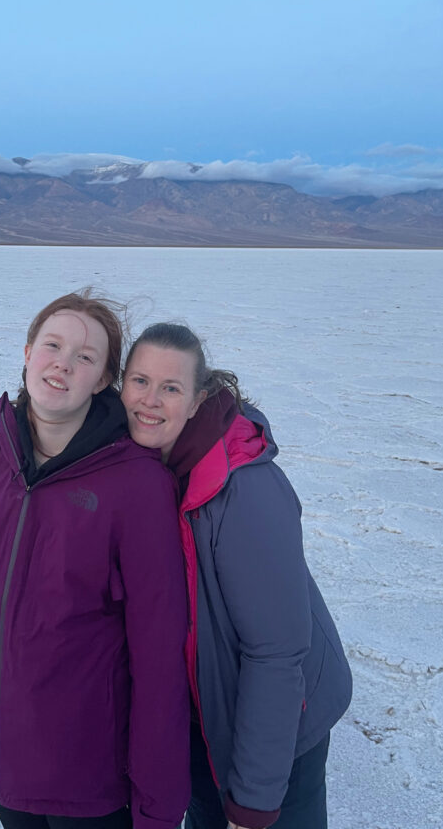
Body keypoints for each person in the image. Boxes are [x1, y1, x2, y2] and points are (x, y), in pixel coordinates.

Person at [0, 292, 191, 829]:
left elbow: (159, 656)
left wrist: (158, 802)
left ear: (103, 381)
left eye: (85, 356)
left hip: (89, 782)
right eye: (53, 345)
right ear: (28, 352)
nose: (63, 363)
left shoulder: (137, 486)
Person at [121, 324, 352, 829]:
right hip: (208, 720)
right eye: (139, 381)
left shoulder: (243, 488)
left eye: (171, 387)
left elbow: (275, 653)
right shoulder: (153, 464)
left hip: (280, 736)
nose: (150, 400)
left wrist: (253, 804)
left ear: (199, 398)